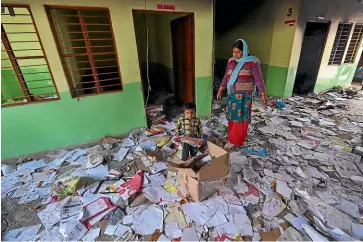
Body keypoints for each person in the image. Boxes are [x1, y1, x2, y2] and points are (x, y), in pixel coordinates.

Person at [217, 39, 267, 146]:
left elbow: (258, 79)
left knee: (241, 118)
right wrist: (221, 88)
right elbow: (227, 75)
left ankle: (237, 140)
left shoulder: (252, 62)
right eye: (234, 52)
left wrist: (263, 93)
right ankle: (231, 136)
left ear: (244, 51)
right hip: (233, 95)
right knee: (232, 117)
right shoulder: (231, 61)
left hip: (244, 97)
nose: (236, 54)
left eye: (238, 52)